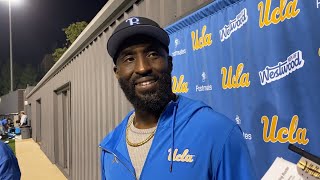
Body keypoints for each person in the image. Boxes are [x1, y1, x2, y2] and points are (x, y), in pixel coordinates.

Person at [100, 16, 257, 180]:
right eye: (129, 59)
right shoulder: (110, 147)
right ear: (117, 72)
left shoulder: (218, 133)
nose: (142, 67)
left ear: (170, 63)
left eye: (153, 54)